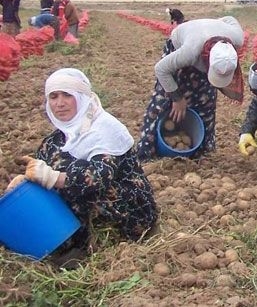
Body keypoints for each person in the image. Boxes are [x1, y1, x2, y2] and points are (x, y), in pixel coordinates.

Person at [4, 68, 157, 266]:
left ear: (82, 97)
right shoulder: (56, 140)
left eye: (67, 95)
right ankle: (58, 241)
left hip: (128, 210)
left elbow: (98, 178)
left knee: (71, 187)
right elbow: (43, 169)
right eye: (53, 96)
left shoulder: (106, 129)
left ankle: (84, 245)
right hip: (86, 209)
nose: (60, 103)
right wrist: (26, 183)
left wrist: (52, 178)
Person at [135, 16, 244, 162]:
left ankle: (202, 152)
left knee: (207, 101)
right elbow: (161, 69)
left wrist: (213, 24)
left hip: (206, 44)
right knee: (161, 101)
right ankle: (146, 153)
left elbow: (230, 18)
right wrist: (177, 98)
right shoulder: (188, 52)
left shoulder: (237, 39)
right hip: (181, 44)